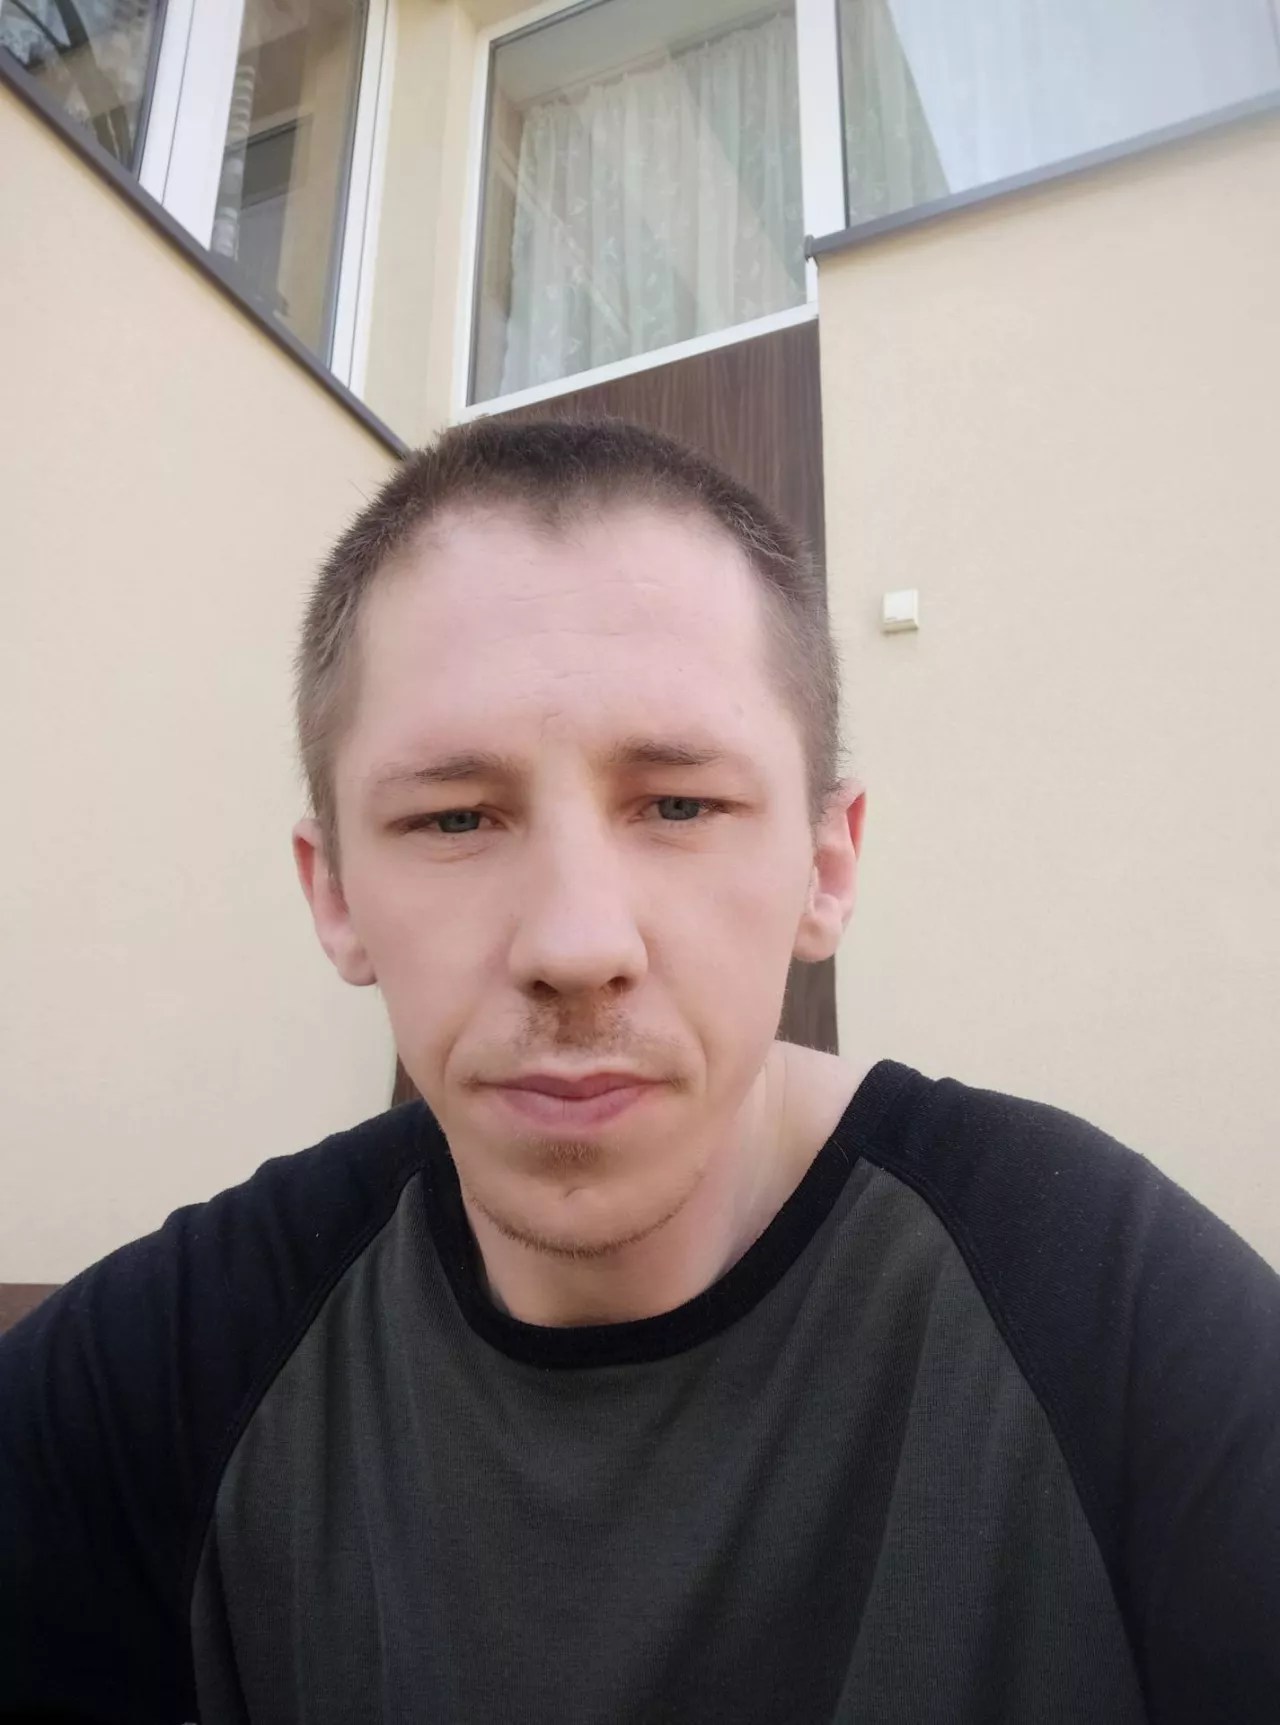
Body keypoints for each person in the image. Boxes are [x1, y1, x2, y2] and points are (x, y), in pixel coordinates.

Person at [1, 419, 1277, 1725]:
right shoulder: (154, 1383)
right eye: (454, 817)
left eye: (679, 805)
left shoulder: (1122, 1328)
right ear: (333, 895)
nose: (575, 945)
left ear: (827, 866)